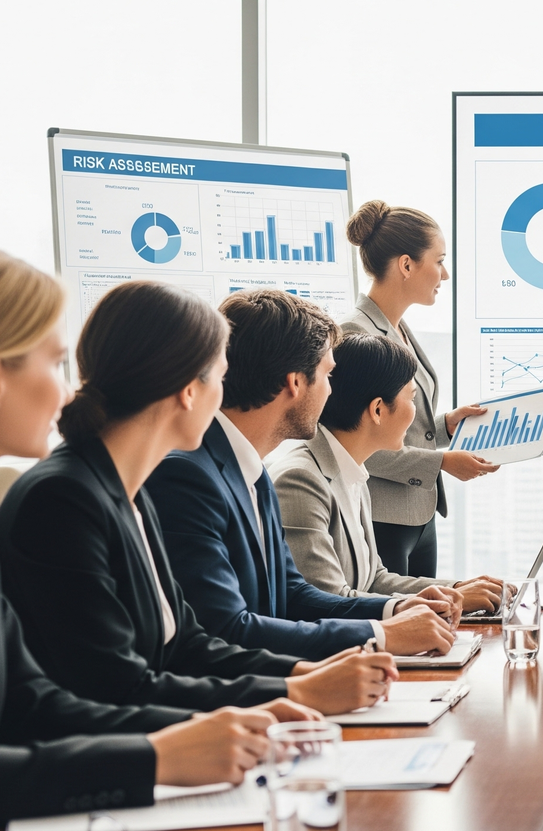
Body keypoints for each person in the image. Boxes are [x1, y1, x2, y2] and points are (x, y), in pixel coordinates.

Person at [0, 247, 308, 827]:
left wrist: (207, 733)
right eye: (55, 364)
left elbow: (29, 700)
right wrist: (156, 757)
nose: (68, 392)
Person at [0, 282, 401, 716]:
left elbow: (188, 643)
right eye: (219, 374)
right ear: (190, 390)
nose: (225, 393)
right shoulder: (69, 497)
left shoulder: (126, 488)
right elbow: (114, 685)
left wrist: (301, 677)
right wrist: (293, 691)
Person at [146, 289, 459, 660]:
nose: (332, 391)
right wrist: (381, 635)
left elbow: (293, 594)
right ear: (295, 382)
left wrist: (393, 611)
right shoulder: (188, 475)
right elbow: (227, 629)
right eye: (327, 374)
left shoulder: (253, 470)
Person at [270, 334, 503, 610]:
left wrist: (454, 589)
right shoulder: (300, 481)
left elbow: (374, 579)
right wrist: (448, 602)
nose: (416, 415)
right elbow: (327, 601)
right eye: (412, 399)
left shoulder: (353, 473)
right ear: (378, 410)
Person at [340, 200, 498, 578]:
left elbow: (398, 423)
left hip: (419, 513)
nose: (444, 275)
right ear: (407, 265)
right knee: (402, 627)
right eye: (439, 261)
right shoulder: (353, 334)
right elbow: (353, 441)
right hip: (381, 515)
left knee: (431, 621)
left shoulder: (399, 329)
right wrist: (441, 461)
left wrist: (445, 425)